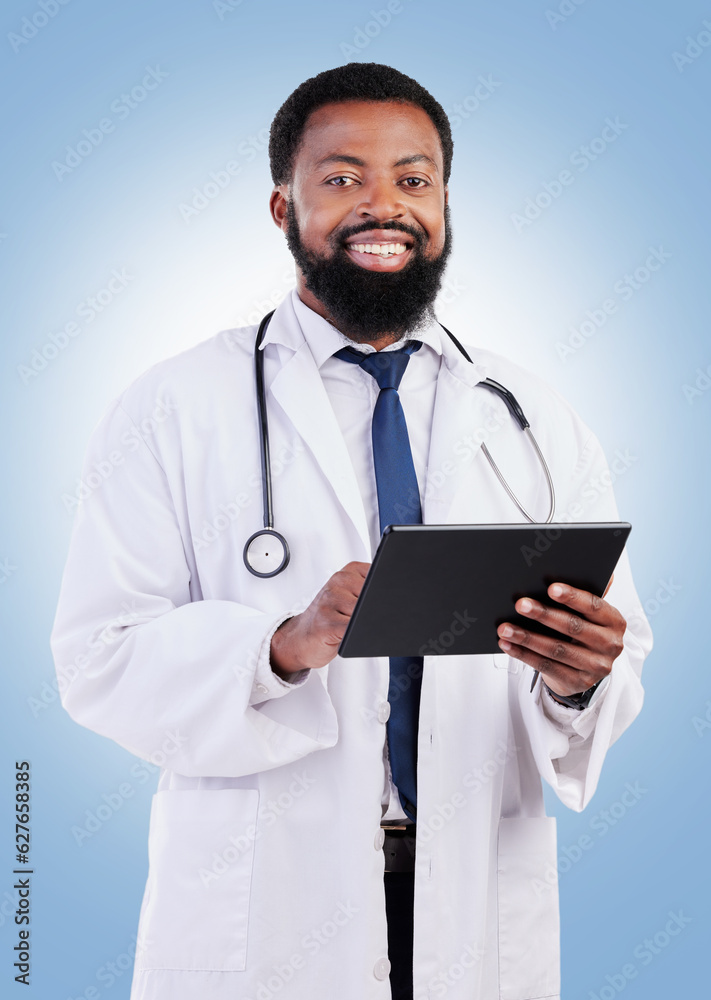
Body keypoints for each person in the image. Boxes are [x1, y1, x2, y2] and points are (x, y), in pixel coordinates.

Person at [50, 62, 652, 1000]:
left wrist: (579, 681)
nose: (385, 206)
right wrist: (281, 648)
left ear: (444, 202)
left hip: (477, 903)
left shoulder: (532, 415)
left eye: (414, 180)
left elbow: (614, 655)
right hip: (269, 909)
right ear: (281, 207)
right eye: (342, 179)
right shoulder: (174, 406)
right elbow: (96, 659)